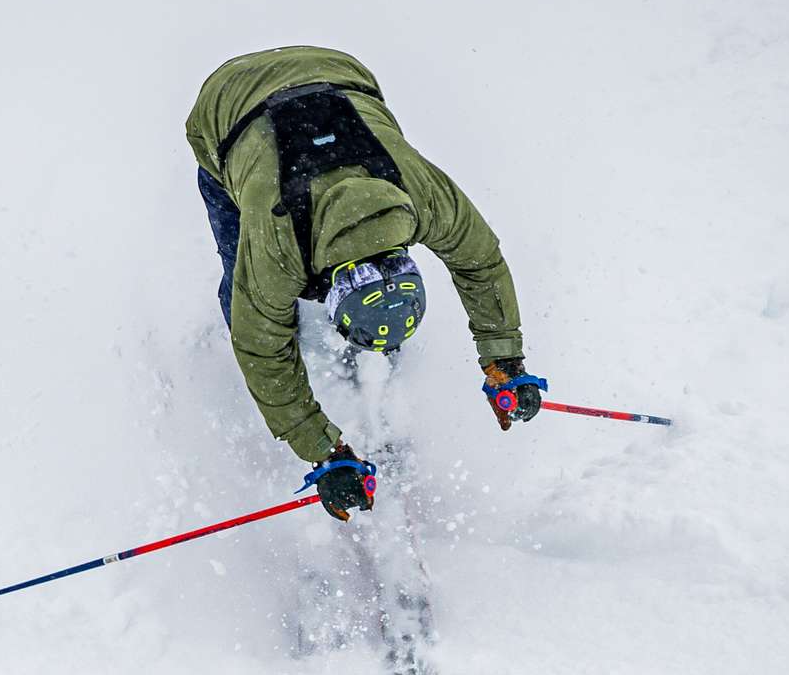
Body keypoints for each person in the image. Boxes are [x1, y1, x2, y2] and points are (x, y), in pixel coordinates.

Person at [186, 46, 542, 521]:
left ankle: (371, 330)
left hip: (337, 73)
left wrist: (504, 360)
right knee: (246, 291)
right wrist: (323, 451)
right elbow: (262, 350)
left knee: (269, 301)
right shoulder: (276, 250)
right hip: (226, 110)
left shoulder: (421, 198)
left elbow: (480, 262)